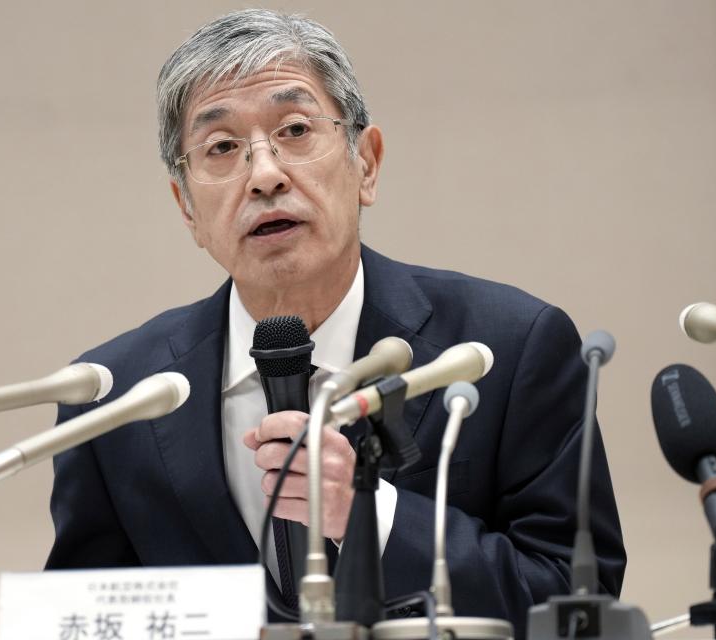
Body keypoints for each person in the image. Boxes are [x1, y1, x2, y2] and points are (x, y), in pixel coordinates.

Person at [46, 9, 626, 636]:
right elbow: (87, 616)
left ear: (366, 163)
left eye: (295, 129)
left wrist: (367, 514)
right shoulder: (115, 400)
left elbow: (576, 603)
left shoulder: (508, 347)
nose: (265, 175)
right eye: (221, 148)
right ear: (187, 207)